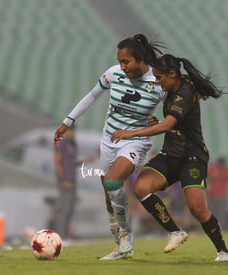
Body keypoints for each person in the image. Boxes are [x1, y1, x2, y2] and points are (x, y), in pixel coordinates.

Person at [54, 34, 167, 260]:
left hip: (136, 141)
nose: (122, 66)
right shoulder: (113, 73)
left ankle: (126, 238)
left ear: (141, 58)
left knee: (114, 181)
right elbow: (92, 95)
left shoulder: (157, 81)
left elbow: (173, 109)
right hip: (109, 140)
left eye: (127, 62)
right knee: (109, 194)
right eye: (120, 61)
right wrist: (68, 121)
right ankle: (119, 247)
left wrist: (161, 121)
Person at [110, 54, 228, 261]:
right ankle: (175, 231)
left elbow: (167, 125)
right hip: (170, 153)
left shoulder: (184, 91)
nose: (157, 81)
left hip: (192, 156)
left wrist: (130, 133)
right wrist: (157, 121)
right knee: (141, 187)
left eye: (159, 77)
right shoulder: (172, 88)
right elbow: (171, 123)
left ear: (172, 74)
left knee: (198, 210)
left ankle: (223, 251)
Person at [54, 125, 93, 240]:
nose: (71, 133)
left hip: (72, 179)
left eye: (73, 131)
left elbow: (71, 163)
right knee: (65, 209)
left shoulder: (72, 144)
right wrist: (63, 180)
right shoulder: (62, 143)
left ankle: (65, 235)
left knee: (70, 209)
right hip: (65, 179)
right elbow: (58, 162)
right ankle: (60, 236)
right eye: (69, 131)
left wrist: (85, 161)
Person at [207, 157, 228, 228]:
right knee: (212, 212)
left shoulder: (227, 170)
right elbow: (207, 179)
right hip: (213, 194)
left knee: (222, 213)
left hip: (223, 195)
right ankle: (211, 227)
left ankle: (221, 228)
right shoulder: (212, 169)